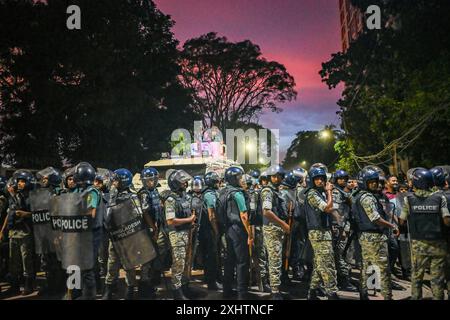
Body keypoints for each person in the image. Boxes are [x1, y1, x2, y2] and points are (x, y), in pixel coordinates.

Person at [399, 168, 450, 300]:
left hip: (418, 245)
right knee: (437, 279)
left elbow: (402, 220)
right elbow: (446, 220)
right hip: (438, 245)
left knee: (416, 277)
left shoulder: (408, 199)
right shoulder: (440, 198)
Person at [353, 167, 399, 300]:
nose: (375, 184)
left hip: (365, 236)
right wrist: (392, 226)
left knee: (367, 266)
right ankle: (387, 296)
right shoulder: (367, 197)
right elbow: (375, 218)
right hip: (374, 237)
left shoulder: (358, 195)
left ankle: (364, 294)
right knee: (383, 269)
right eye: (371, 181)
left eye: (376, 181)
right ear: (364, 182)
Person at [304, 167, 339, 300]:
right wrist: (329, 191)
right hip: (318, 233)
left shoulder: (320, 193)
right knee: (327, 264)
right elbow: (327, 207)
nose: (320, 181)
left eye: (322, 179)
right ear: (312, 180)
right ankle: (332, 293)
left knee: (319, 264)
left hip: (324, 231)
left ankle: (312, 292)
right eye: (317, 179)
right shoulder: (312, 193)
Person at [220, 166, 252, 300]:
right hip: (238, 230)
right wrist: (250, 234)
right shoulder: (237, 193)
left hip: (228, 229)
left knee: (229, 261)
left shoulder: (223, 192)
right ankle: (241, 294)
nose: (241, 180)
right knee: (242, 262)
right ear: (233, 179)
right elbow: (244, 215)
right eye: (239, 177)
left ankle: (227, 291)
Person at [1, 170, 35, 296]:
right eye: (19, 181)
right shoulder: (14, 196)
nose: (20, 184)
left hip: (25, 232)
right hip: (13, 232)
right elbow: (9, 214)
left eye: (23, 181)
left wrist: (24, 214)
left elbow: (33, 213)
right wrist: (3, 231)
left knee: (26, 260)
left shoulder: (29, 197)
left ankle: (29, 285)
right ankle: (14, 286)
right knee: (13, 261)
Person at [138, 167, 169, 298]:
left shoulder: (155, 191)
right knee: (147, 257)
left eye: (154, 179)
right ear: (145, 181)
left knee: (157, 253)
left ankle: (152, 279)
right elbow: (145, 212)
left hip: (157, 226)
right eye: (150, 180)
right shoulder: (144, 193)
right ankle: (144, 286)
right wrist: (153, 228)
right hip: (147, 229)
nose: (152, 182)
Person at [164, 169, 195, 300]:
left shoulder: (184, 197)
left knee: (187, 263)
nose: (186, 184)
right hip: (177, 236)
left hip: (187, 233)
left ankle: (185, 287)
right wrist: (190, 219)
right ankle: (177, 292)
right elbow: (171, 221)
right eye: (183, 182)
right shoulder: (170, 200)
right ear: (176, 183)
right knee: (178, 264)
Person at [260, 165, 290, 300]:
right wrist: (283, 224)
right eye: (273, 176)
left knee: (277, 259)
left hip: (278, 228)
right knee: (274, 260)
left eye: (278, 176)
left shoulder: (278, 191)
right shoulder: (268, 191)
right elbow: (267, 212)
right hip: (272, 228)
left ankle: (276, 286)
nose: (276, 178)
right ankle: (275, 291)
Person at [331, 169, 357, 292]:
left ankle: (342, 278)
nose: (343, 181)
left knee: (342, 253)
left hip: (344, 225)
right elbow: (335, 210)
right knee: (339, 253)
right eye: (341, 179)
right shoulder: (336, 192)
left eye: (345, 179)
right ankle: (343, 280)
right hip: (338, 227)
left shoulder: (344, 192)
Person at [199, 171, 222, 290]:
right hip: (209, 230)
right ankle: (212, 282)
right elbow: (211, 215)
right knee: (212, 256)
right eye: (217, 181)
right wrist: (216, 230)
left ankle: (209, 279)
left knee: (209, 255)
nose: (219, 183)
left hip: (205, 229)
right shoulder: (210, 195)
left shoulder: (205, 193)